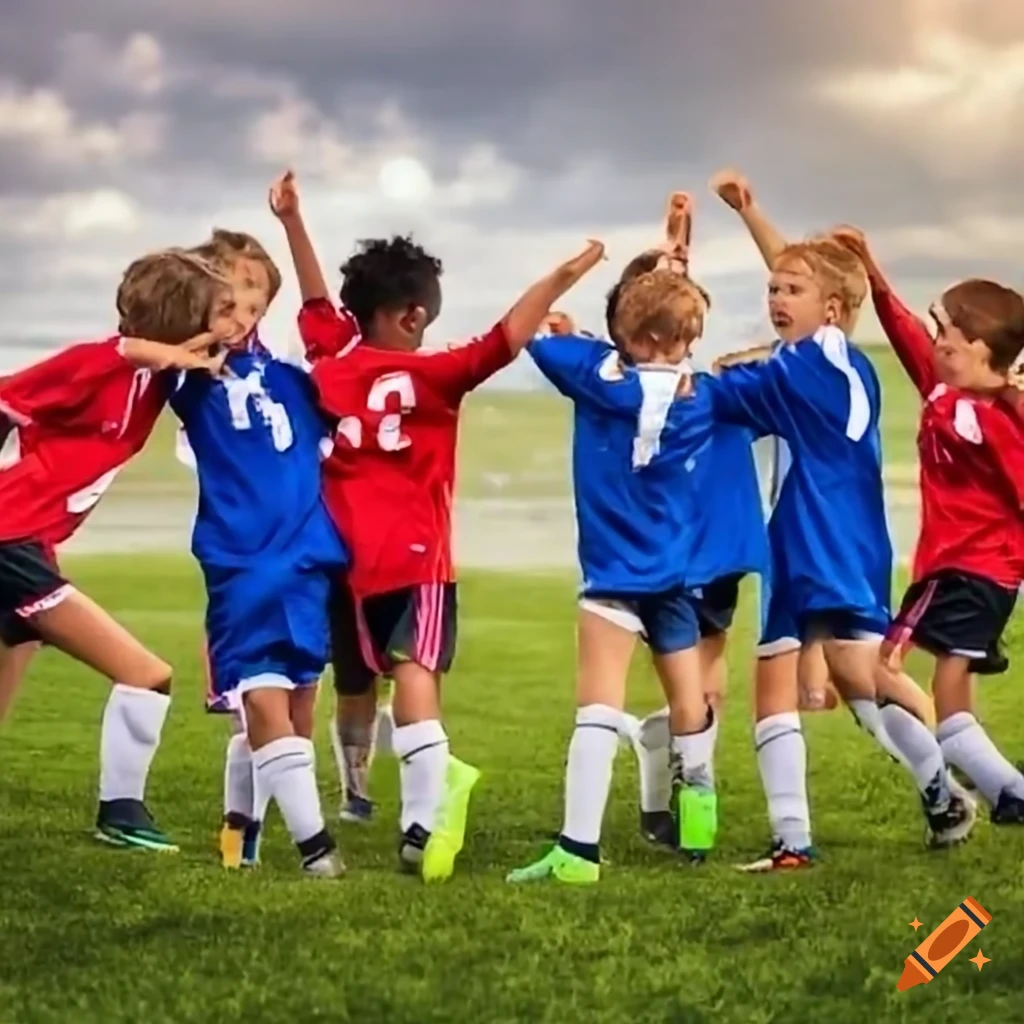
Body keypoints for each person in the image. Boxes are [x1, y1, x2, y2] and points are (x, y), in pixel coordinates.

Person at [273, 168, 605, 882]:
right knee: (414, 671)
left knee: (357, 677)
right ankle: (422, 818)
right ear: (414, 316)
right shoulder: (438, 374)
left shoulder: (331, 362)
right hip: (418, 559)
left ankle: (363, 797)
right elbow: (510, 336)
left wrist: (292, 221)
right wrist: (563, 274)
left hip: (343, 559)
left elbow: (311, 299)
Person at [706, 238, 976, 870]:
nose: (775, 297)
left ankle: (794, 841)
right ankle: (941, 796)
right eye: (772, 287)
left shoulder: (797, 369)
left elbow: (715, 395)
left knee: (787, 680)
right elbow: (817, 292)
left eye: (789, 290)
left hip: (810, 532)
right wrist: (750, 217)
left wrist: (664, 371)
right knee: (863, 679)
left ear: (830, 307)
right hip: (856, 534)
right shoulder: (852, 364)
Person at [0, 249, 230, 850]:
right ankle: (121, 816)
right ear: (180, 322)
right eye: (216, 312)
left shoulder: (157, 381)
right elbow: (114, 353)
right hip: (8, 542)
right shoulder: (100, 361)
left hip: (30, 546)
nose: (226, 323)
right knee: (147, 674)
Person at [507, 267, 723, 884]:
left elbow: (529, 333)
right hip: (676, 580)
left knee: (598, 709)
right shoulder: (703, 396)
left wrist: (567, 322)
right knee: (690, 703)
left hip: (611, 577)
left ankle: (578, 850)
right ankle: (699, 831)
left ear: (630, 334)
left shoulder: (594, 377)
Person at [172, 226, 348, 877]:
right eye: (229, 299)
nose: (242, 314)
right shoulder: (188, 379)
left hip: (308, 562)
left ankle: (241, 832)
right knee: (261, 698)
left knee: (294, 707)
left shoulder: (295, 381)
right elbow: (135, 348)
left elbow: (334, 347)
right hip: (242, 564)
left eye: (254, 300)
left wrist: (296, 224)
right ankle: (316, 851)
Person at [835, 227, 1024, 826]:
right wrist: (871, 268)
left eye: (947, 333)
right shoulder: (947, 391)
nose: (935, 340)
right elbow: (907, 335)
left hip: (969, 569)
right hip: (972, 572)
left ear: (978, 347)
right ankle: (993, 791)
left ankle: (993, 790)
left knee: (886, 671)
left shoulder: (991, 419)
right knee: (946, 687)